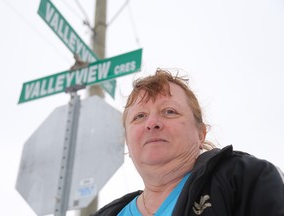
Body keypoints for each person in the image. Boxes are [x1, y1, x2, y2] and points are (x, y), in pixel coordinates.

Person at [93, 69, 284, 216]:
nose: (151, 124)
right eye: (139, 116)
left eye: (169, 111)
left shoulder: (245, 179)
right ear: (127, 140)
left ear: (200, 134)